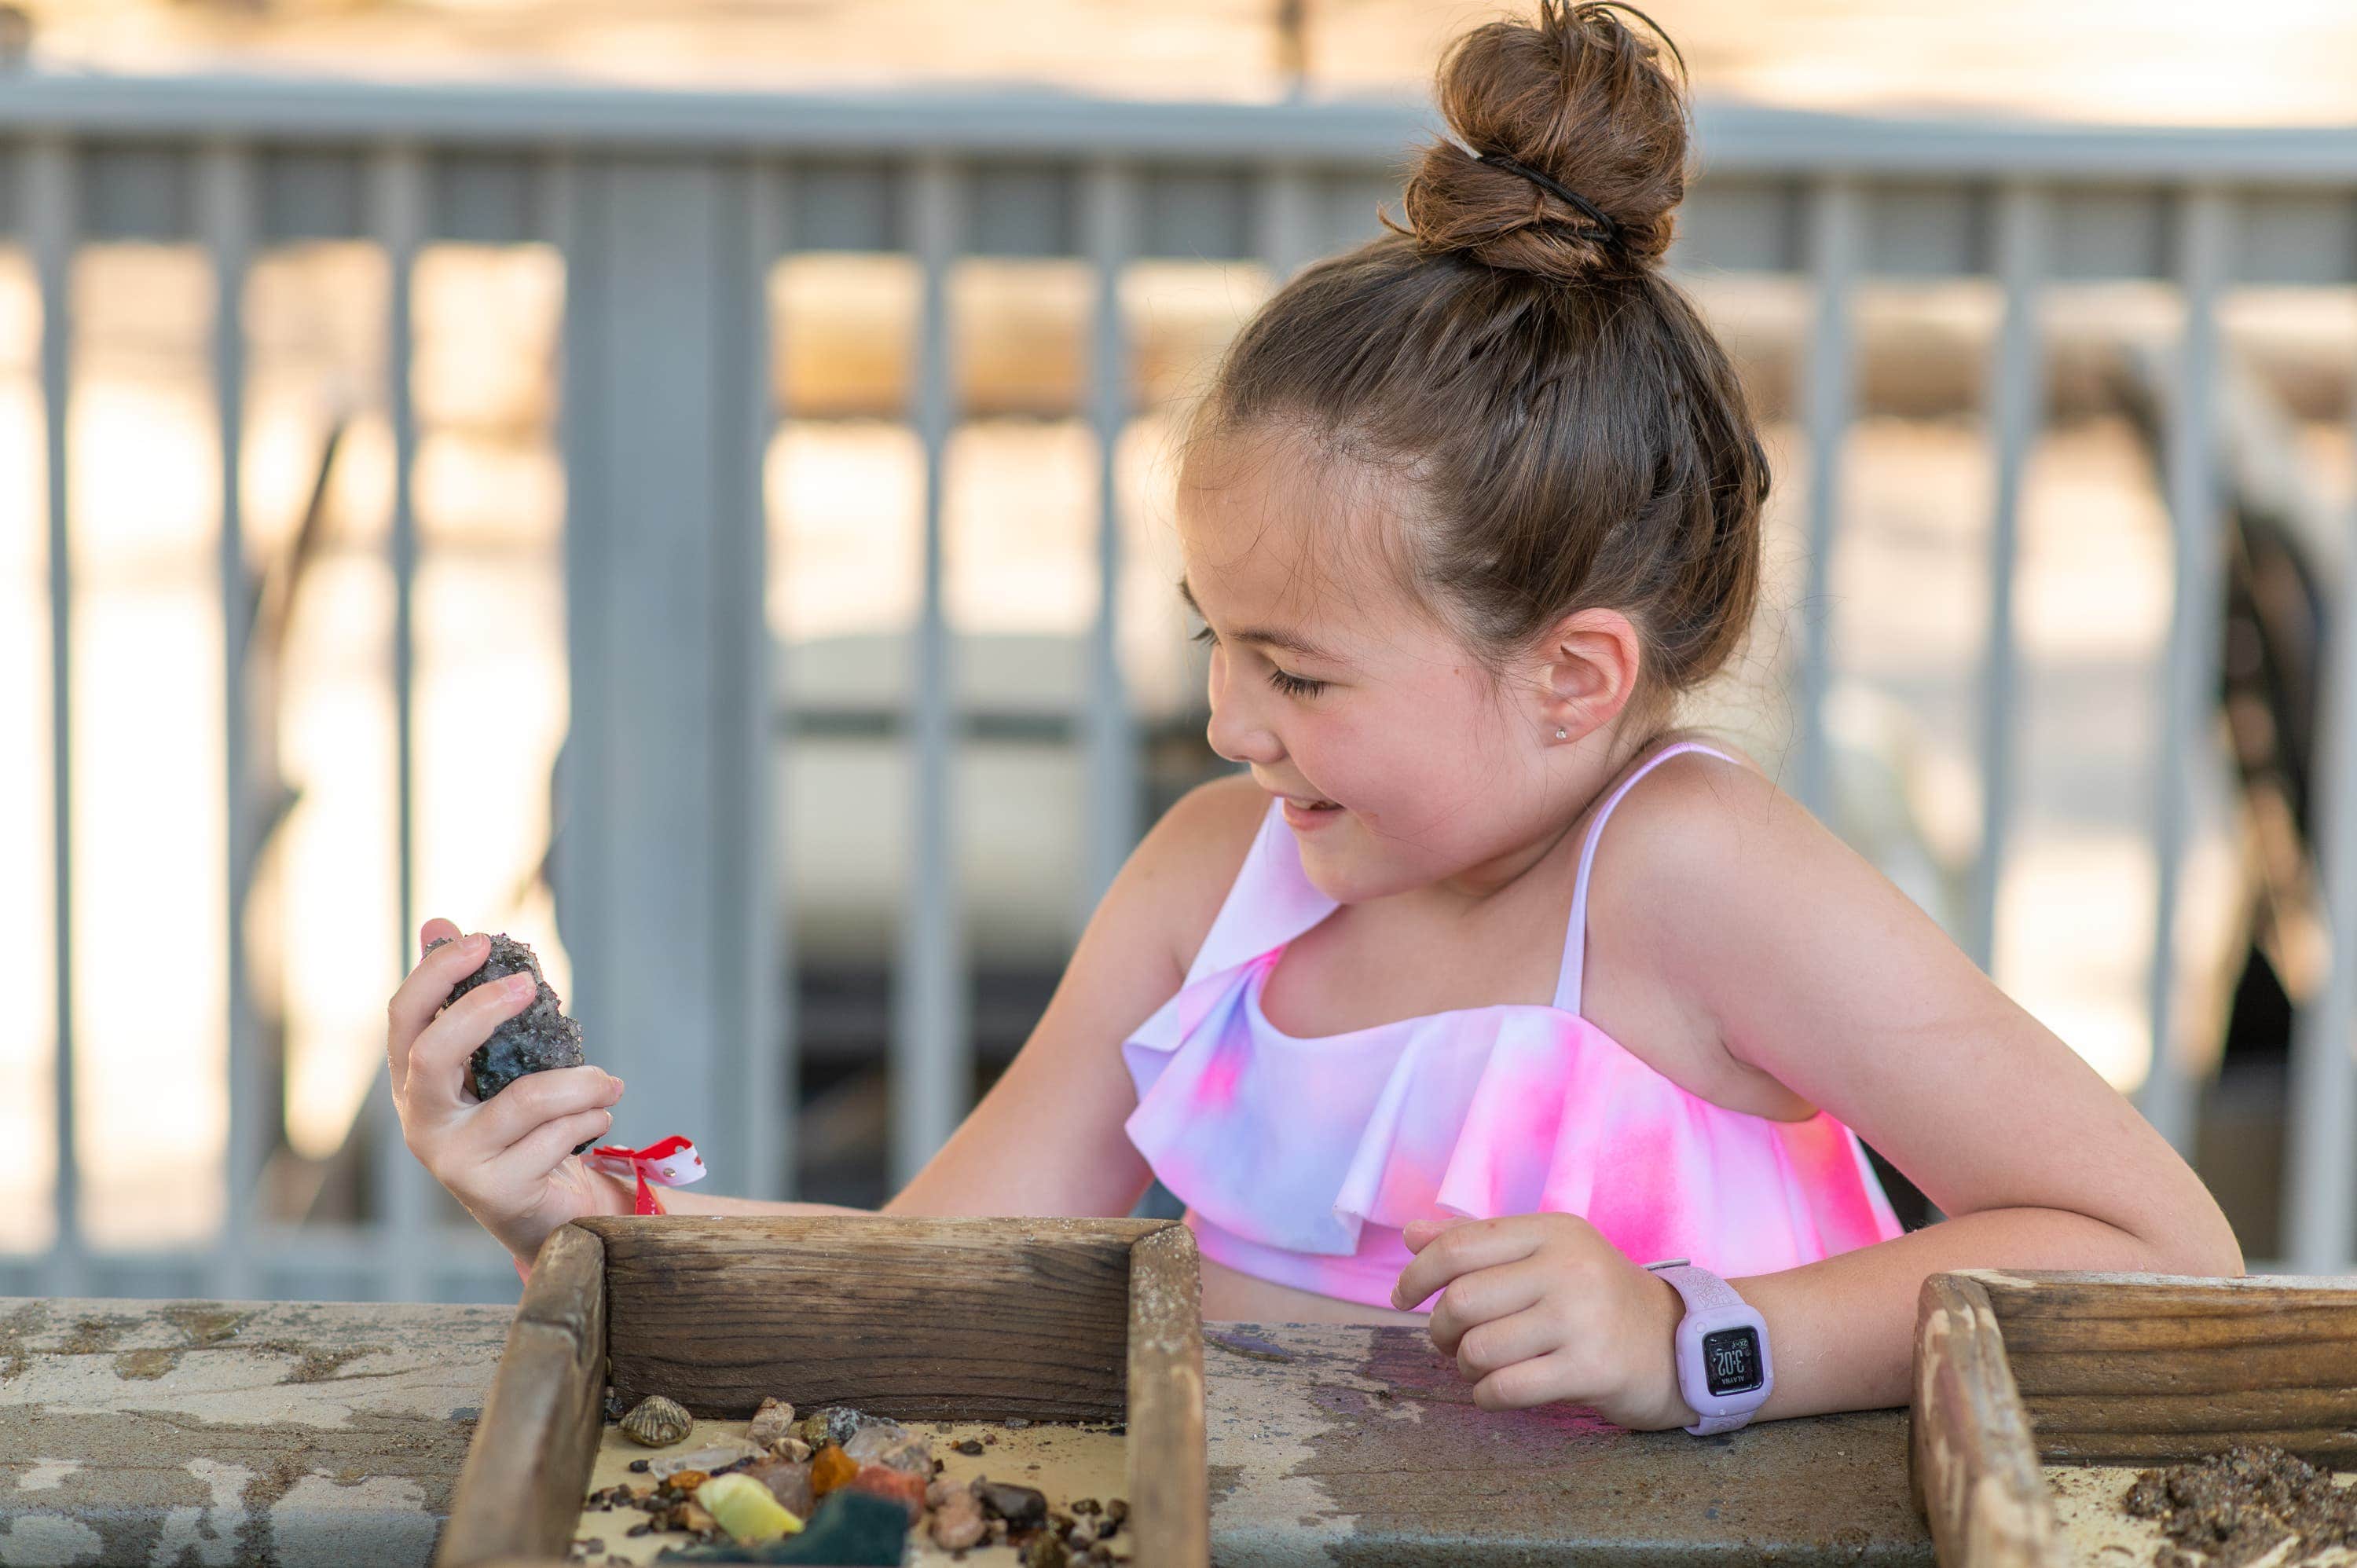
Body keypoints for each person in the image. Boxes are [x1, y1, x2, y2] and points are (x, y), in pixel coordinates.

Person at [387, 1, 2241, 1433]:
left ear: (1573, 676)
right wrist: (581, 1223)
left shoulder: (1689, 872)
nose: (1226, 721)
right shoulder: (1216, 885)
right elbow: (935, 1284)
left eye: (1301, 670)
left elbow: (2156, 1248)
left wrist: (1695, 1331)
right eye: (1217, 639)